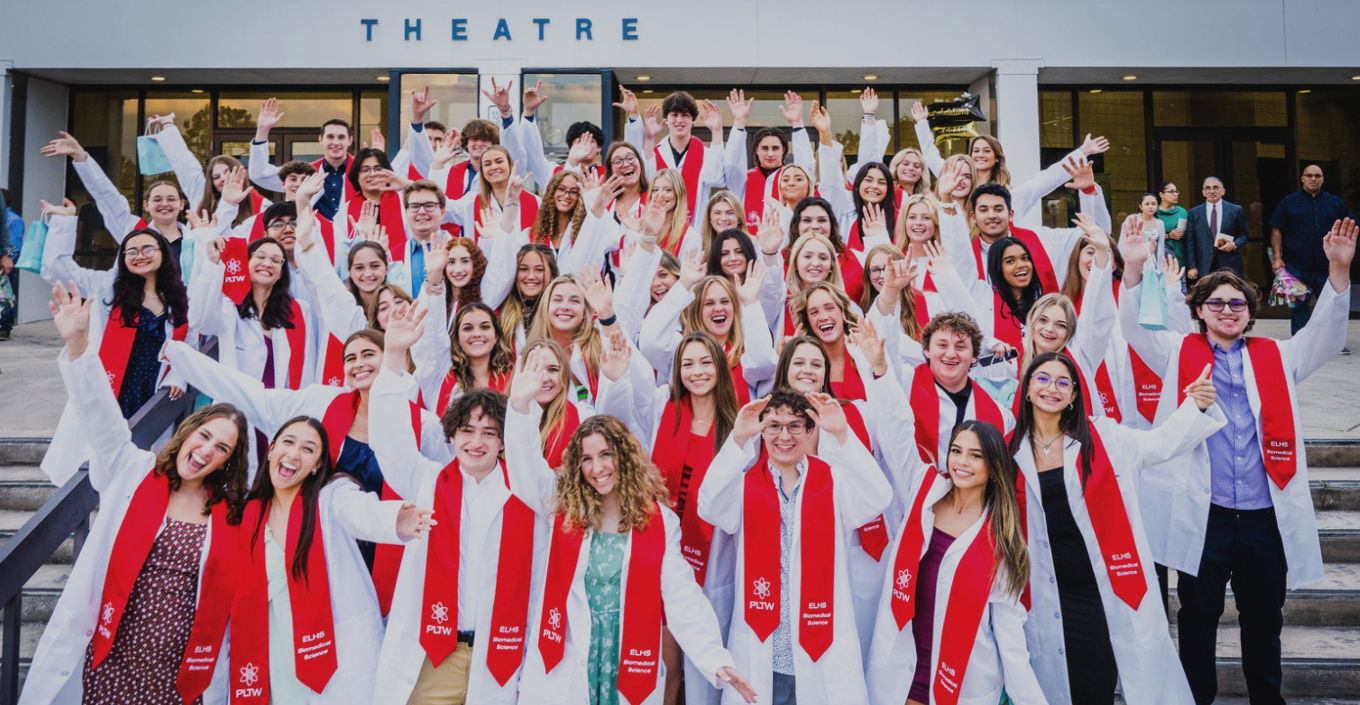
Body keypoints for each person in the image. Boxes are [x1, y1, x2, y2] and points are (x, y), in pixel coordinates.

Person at [1118, 218, 1355, 705]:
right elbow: (1133, 326)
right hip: (1203, 517)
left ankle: (1267, 699)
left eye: (1238, 303)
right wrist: (1134, 267)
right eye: (1216, 303)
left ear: (1250, 312)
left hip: (1262, 517)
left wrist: (1337, 271)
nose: (1228, 310)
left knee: (1265, 620)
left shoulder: (1278, 355)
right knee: (1198, 618)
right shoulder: (1173, 351)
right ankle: (1195, 699)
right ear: (1199, 311)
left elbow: (1327, 337)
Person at [23, 280, 249, 705]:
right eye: (205, 436)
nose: (207, 451)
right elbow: (101, 415)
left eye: (223, 448)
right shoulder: (132, 470)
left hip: (181, 664)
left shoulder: (231, 511)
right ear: (187, 433)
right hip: (115, 651)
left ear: (229, 462)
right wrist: (78, 346)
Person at [505, 348, 758, 705]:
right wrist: (518, 407)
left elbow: (681, 596)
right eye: (587, 459)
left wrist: (715, 659)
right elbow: (523, 468)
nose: (597, 468)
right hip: (568, 657)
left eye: (606, 454)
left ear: (624, 456)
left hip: (628, 659)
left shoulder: (658, 521)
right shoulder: (563, 506)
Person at [1009, 352, 1223, 705]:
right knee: (1050, 687)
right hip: (1042, 589)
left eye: (1064, 382)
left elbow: (1159, 444)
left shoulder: (1105, 437)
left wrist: (1195, 407)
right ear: (1027, 388)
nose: (1052, 388)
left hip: (1097, 589)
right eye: (1042, 379)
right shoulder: (1009, 448)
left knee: (1094, 684)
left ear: (1075, 395)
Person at [368, 307, 546, 705]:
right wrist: (394, 357)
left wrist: (520, 408)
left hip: (504, 653)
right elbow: (390, 440)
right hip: (436, 655)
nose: (476, 441)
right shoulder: (427, 481)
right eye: (466, 431)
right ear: (450, 435)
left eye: (489, 432)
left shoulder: (529, 493)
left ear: (504, 441)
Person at [696, 389, 892, 705]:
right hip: (764, 657)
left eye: (794, 425)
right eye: (774, 425)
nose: (784, 435)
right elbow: (707, 505)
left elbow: (878, 496)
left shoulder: (834, 483)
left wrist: (841, 434)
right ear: (762, 431)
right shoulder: (745, 487)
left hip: (820, 652)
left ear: (809, 430)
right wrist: (738, 439)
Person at [227, 415, 433, 704]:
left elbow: (361, 511)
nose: (294, 454)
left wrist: (395, 519)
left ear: (317, 466)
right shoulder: (249, 516)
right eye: (288, 442)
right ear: (271, 449)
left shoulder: (330, 498)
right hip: (271, 657)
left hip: (332, 657)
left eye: (308, 449)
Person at [866, 420, 1047, 705]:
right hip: (903, 671)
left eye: (976, 455)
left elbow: (1010, 638)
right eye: (956, 450)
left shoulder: (1002, 541)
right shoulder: (924, 495)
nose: (962, 462)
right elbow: (897, 432)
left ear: (994, 467)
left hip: (963, 680)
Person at [38, 203, 196, 481]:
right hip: (116, 384)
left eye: (148, 249)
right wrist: (64, 223)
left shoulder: (180, 297)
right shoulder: (107, 289)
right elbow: (56, 268)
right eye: (131, 252)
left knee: (144, 462)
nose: (139, 256)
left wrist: (179, 376)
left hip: (153, 389)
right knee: (102, 460)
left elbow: (189, 343)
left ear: (164, 254)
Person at [41, 131, 199, 284]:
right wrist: (81, 158)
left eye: (171, 199)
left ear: (181, 204)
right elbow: (106, 196)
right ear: (146, 205)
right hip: (138, 309)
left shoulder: (197, 239)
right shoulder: (134, 230)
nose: (164, 204)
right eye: (157, 199)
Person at [640, 247, 776, 404]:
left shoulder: (746, 356)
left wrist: (751, 302)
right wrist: (683, 285)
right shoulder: (680, 350)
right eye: (709, 303)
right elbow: (650, 343)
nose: (718, 308)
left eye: (725, 301)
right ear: (697, 311)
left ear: (735, 309)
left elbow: (763, 363)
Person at [624, 88, 734, 226]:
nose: (679, 120)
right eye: (674, 115)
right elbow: (644, 180)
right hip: (658, 231)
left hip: (693, 232)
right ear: (667, 120)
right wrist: (649, 138)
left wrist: (717, 132)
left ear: (693, 120)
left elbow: (716, 179)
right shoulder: (654, 152)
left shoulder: (705, 153)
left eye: (685, 115)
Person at [1269, 164, 1358, 334]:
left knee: (1330, 303)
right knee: (1299, 303)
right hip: (1297, 263)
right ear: (1302, 178)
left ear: (1323, 179)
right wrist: (1277, 257)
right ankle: (1301, 338)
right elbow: (1276, 229)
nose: (1313, 179)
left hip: (1328, 264)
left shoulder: (1335, 203)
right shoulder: (1289, 202)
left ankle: (1331, 340)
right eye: (1309, 175)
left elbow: (1352, 226)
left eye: (1317, 176)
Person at [723, 92, 816, 232]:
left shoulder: (790, 179)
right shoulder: (744, 179)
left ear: (783, 150)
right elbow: (732, 165)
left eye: (775, 148)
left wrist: (797, 124)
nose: (770, 153)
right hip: (751, 244)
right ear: (756, 150)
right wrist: (739, 122)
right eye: (765, 148)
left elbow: (807, 168)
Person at [249, 100, 354, 222]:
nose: (335, 142)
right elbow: (260, 174)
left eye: (341, 137)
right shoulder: (306, 174)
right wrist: (262, 131)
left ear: (350, 140)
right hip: (316, 236)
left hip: (358, 238)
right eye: (330, 137)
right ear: (321, 139)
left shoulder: (362, 171)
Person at [1183, 177, 1249, 279]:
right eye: (1208, 188)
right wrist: (1192, 266)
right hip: (1204, 265)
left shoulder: (1236, 210)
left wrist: (1235, 244)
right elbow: (1190, 242)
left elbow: (1244, 235)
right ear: (1203, 192)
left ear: (1223, 191)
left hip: (1230, 263)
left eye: (1216, 188)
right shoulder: (1194, 213)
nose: (1212, 191)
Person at [1155, 181, 1188, 268]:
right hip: (1159, 259)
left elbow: (1189, 236)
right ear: (1161, 194)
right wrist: (1169, 235)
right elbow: (1148, 237)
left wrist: (1183, 234)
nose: (1175, 194)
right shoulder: (1154, 213)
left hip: (1179, 257)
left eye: (1176, 191)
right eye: (1171, 192)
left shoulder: (1182, 212)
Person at [0, 188, 18, 340]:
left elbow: (14, 244)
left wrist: (7, 256)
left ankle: (5, 327)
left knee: (7, 298)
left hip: (5, 263)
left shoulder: (13, 219)